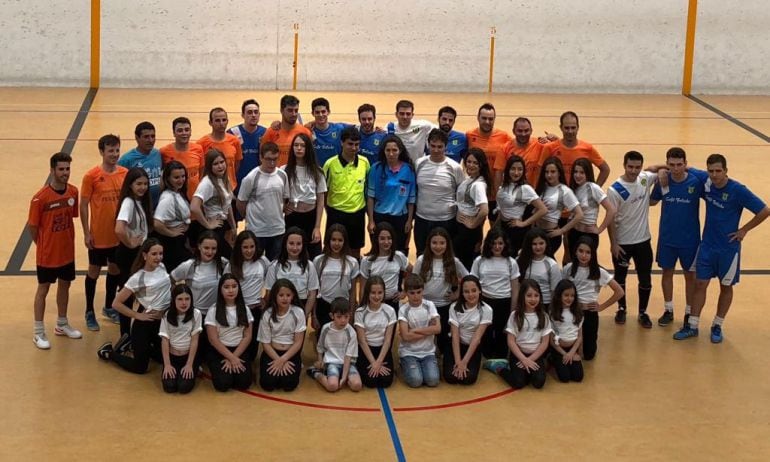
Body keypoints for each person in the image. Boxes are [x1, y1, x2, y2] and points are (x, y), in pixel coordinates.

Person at [674, 153, 769, 343]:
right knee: (700, 284)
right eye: (711, 171)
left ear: (726, 171)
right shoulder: (706, 182)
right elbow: (684, 168)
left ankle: (717, 324)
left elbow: (765, 210)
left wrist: (744, 230)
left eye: (718, 171)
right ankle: (692, 325)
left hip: (728, 249)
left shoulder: (738, 190)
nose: (715, 175)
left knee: (725, 287)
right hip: (707, 246)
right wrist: (656, 169)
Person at [29, 152, 81, 349]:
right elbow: (33, 227)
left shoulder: (73, 192)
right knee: (43, 289)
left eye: (68, 169)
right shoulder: (40, 198)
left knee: (65, 285)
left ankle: (61, 324)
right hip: (48, 255)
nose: (65, 173)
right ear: (52, 170)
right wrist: (43, 244)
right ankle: (38, 332)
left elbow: (72, 217)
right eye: (61, 169)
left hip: (67, 252)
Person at [649, 148, 706, 326]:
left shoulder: (696, 182)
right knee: (667, 273)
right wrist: (657, 175)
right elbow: (652, 201)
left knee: (691, 276)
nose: (675, 168)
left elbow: (712, 196)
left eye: (679, 165)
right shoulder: (663, 181)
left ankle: (689, 312)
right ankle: (668, 309)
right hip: (667, 237)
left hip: (690, 239)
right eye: (671, 165)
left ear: (685, 164)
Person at [98, 238, 170, 373]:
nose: (158, 257)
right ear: (144, 255)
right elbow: (116, 303)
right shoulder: (138, 278)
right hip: (146, 323)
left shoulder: (161, 267)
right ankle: (109, 352)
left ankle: (134, 345)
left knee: (165, 358)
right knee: (140, 367)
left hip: (161, 322)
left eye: (160, 254)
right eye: (154, 254)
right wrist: (137, 315)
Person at [80, 134, 127, 329]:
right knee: (94, 270)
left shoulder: (125, 173)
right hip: (99, 235)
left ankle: (109, 306)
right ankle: (89, 311)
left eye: (117, 150)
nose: (114, 154)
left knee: (115, 269)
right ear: (101, 152)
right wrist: (86, 232)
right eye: (110, 151)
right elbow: (83, 205)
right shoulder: (91, 176)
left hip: (117, 235)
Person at [607, 151, 656, 328]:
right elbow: (610, 219)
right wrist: (613, 243)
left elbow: (658, 170)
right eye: (630, 167)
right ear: (624, 165)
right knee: (620, 278)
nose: (634, 171)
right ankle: (621, 308)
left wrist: (660, 169)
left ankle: (643, 312)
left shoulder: (644, 179)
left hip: (643, 241)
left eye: (637, 167)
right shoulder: (615, 189)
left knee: (645, 279)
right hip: (622, 244)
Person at [170, 231, 228, 365]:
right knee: (197, 349)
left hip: (215, 315)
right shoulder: (189, 266)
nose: (210, 251)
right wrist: (177, 301)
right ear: (199, 247)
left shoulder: (223, 264)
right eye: (206, 248)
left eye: (214, 248)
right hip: (196, 315)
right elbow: (171, 280)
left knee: (213, 349)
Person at [562, 237, 623, 360]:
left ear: (593, 254)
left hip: (589, 313)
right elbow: (561, 289)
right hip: (571, 311)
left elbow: (619, 292)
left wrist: (601, 307)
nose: (583, 255)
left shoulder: (599, 272)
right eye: (581, 251)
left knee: (589, 354)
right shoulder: (568, 268)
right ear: (575, 251)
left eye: (588, 252)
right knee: (569, 344)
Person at [483, 279, 551, 390]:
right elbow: (511, 341)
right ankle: (500, 368)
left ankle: (526, 371)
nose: (533, 299)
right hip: (518, 354)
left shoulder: (544, 316)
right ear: (522, 297)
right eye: (529, 295)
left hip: (535, 355)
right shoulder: (515, 315)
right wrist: (523, 359)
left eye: (536, 295)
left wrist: (530, 359)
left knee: (539, 383)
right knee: (518, 383)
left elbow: (544, 342)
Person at [413, 227, 467, 355]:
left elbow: (468, 278)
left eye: (442, 243)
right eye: (434, 243)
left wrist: (458, 293)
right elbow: (413, 281)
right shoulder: (421, 260)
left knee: (443, 339)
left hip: (444, 306)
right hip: (424, 306)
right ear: (429, 244)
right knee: (424, 337)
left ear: (447, 244)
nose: (438, 246)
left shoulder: (454, 262)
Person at [114, 167, 153, 336]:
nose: (143, 187)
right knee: (127, 296)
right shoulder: (129, 203)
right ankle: (125, 335)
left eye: (145, 184)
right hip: (129, 254)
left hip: (137, 253)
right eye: (139, 184)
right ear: (130, 185)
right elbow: (119, 229)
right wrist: (131, 244)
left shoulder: (140, 201)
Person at [413, 129, 465, 255]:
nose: (436, 150)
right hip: (422, 220)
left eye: (440, 147)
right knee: (422, 254)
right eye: (433, 146)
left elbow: (461, 194)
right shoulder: (419, 163)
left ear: (446, 147)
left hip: (446, 220)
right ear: (428, 144)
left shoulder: (455, 167)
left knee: (445, 256)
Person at [471, 228, 521, 359]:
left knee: (501, 334)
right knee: (486, 333)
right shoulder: (479, 261)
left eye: (500, 243)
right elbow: (473, 284)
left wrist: (513, 311)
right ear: (488, 244)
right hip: (485, 301)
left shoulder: (511, 262)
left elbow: (515, 289)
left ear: (505, 244)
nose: (497, 246)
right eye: (493, 243)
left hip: (504, 302)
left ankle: (501, 355)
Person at [236, 142, 289, 260]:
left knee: (274, 267)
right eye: (268, 159)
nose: (272, 163)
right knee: (254, 264)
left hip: (277, 230)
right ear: (260, 157)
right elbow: (240, 203)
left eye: (275, 159)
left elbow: (284, 199)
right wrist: (249, 217)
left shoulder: (282, 175)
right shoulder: (251, 178)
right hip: (256, 232)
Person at [323, 126, 370, 258]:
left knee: (355, 250)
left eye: (357, 144)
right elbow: (324, 192)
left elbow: (367, 188)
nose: (354, 148)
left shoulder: (364, 163)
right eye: (350, 144)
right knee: (332, 250)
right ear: (342, 142)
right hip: (336, 214)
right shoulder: (330, 164)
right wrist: (329, 210)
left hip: (357, 214)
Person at [366, 135, 416, 253]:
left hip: (400, 217)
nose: (391, 153)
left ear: (400, 151)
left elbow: (411, 199)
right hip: (380, 216)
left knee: (399, 250)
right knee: (379, 250)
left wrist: (409, 220)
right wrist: (371, 220)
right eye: (388, 150)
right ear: (384, 151)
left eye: (394, 150)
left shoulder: (409, 170)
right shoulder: (376, 168)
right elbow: (370, 197)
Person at [225, 230, 270, 357]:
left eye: (252, 247)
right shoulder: (231, 265)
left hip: (255, 309)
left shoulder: (263, 261)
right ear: (239, 247)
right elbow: (225, 286)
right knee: (237, 341)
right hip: (237, 309)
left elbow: (270, 280)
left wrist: (265, 298)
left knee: (252, 347)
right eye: (245, 247)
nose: (249, 250)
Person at [205, 274, 253, 392]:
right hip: (220, 351)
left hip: (239, 349)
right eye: (226, 287)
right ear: (220, 290)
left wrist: (234, 357)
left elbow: (247, 336)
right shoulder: (213, 310)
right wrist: (230, 357)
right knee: (222, 384)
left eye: (234, 286)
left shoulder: (245, 309)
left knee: (244, 383)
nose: (231, 290)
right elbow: (213, 340)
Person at [257, 279, 306, 392]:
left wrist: (283, 359)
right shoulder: (267, 314)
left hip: (290, 353)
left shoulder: (298, 312)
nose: (285, 298)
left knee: (289, 385)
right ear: (275, 296)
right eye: (281, 295)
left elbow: (298, 342)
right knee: (268, 385)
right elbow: (266, 343)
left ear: (293, 296)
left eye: (288, 295)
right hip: (272, 352)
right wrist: (278, 360)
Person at [282, 133, 326, 258]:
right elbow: (278, 196)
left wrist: (317, 227)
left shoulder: (317, 171)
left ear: (308, 149)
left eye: (302, 145)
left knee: (313, 254)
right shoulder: (284, 170)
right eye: (296, 145)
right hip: (292, 217)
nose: (299, 148)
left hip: (310, 218)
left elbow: (321, 201)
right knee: (291, 254)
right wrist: (283, 207)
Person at [264, 227, 319, 326]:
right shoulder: (275, 266)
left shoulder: (309, 266)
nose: (294, 248)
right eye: (291, 243)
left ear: (303, 245)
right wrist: (275, 312)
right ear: (285, 244)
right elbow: (269, 292)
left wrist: (304, 315)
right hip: (279, 308)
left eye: (298, 244)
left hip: (301, 305)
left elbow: (312, 294)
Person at [466, 103, 512, 221]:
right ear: (478, 118)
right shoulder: (469, 135)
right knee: (475, 229)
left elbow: (520, 145)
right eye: (484, 118)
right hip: (475, 191)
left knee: (496, 229)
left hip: (495, 193)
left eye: (491, 119)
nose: (487, 121)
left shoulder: (504, 136)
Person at [539, 111, 610, 186]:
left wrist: (595, 190)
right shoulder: (549, 148)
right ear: (561, 127)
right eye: (567, 128)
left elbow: (605, 169)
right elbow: (540, 172)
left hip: (579, 195)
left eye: (573, 128)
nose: (570, 131)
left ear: (578, 127)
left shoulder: (587, 148)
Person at [495, 154, 547, 256]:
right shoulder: (503, 186)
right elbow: (502, 210)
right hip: (503, 228)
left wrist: (524, 223)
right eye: (513, 169)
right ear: (507, 170)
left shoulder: (525, 189)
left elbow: (543, 209)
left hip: (516, 232)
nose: (516, 173)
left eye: (520, 169)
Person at [444, 275, 492, 385]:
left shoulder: (486, 310)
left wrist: (464, 362)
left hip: (472, 347)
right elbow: (455, 335)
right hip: (456, 345)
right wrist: (458, 361)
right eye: (466, 291)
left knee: (468, 379)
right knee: (450, 378)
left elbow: (477, 338)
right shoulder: (454, 307)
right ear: (462, 293)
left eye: (474, 290)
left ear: (480, 290)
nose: (470, 294)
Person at [307, 298, 362, 392]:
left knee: (357, 385)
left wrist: (344, 378)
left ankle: (341, 376)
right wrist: (321, 363)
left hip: (348, 363)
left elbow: (348, 357)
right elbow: (320, 347)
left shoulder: (351, 332)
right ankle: (316, 373)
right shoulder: (326, 329)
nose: (343, 320)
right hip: (332, 363)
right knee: (332, 386)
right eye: (339, 317)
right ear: (332, 316)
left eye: (346, 317)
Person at [191, 149, 236, 258]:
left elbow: (228, 204)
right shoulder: (207, 183)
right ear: (209, 167)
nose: (220, 166)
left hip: (223, 225)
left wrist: (233, 226)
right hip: (214, 229)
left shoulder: (224, 179)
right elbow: (194, 207)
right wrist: (208, 224)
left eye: (222, 162)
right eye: (216, 164)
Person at [398, 274, 441, 388]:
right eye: (412, 293)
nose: (416, 296)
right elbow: (406, 336)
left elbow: (437, 329)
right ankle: (404, 363)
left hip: (428, 352)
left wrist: (415, 330)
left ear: (423, 291)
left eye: (419, 292)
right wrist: (428, 330)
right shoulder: (403, 310)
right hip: (409, 352)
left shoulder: (430, 305)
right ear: (406, 293)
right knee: (416, 381)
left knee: (433, 381)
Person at [535, 156, 583, 257]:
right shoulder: (542, 187)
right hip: (537, 232)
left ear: (559, 173)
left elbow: (579, 214)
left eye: (553, 172)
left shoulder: (564, 191)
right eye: (546, 172)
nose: (549, 175)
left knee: (546, 261)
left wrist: (561, 231)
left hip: (551, 234)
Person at [313, 225, 359, 330]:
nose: (336, 243)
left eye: (340, 240)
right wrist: (314, 315)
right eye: (333, 239)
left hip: (344, 308)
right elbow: (314, 290)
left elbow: (352, 292)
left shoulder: (352, 262)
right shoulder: (318, 261)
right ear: (328, 240)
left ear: (345, 242)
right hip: (324, 306)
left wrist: (351, 313)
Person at [354, 276, 397, 388]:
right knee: (370, 382)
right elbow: (362, 341)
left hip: (382, 350)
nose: (377, 296)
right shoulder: (360, 312)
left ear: (384, 293)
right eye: (373, 293)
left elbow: (387, 341)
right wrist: (373, 362)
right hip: (367, 350)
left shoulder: (390, 311)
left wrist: (379, 362)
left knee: (386, 381)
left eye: (380, 292)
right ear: (367, 293)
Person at [568, 157, 615, 257]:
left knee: (587, 266)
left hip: (588, 235)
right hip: (573, 233)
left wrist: (600, 229)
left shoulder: (593, 188)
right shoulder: (573, 189)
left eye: (582, 172)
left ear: (587, 173)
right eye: (575, 172)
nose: (578, 175)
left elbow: (611, 210)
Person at [159, 284, 202, 394]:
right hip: (172, 357)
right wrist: (167, 365)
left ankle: (195, 368)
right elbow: (165, 340)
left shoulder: (196, 314)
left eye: (187, 299)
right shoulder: (167, 315)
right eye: (180, 299)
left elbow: (195, 340)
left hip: (188, 356)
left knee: (184, 387)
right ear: (174, 300)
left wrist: (189, 364)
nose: (184, 303)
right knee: (170, 387)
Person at [359, 222, 411, 311]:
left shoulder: (398, 256)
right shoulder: (367, 261)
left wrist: (405, 292)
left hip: (393, 302)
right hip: (373, 303)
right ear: (376, 240)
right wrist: (362, 308)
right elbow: (363, 288)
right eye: (382, 239)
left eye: (389, 238)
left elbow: (412, 270)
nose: (386, 242)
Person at [454, 148, 491, 269]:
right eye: (469, 161)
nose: (471, 165)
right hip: (461, 229)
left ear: (481, 165)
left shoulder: (478, 185)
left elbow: (484, 210)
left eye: (475, 163)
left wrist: (472, 224)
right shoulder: (471, 180)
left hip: (467, 232)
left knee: (465, 264)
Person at [152, 160, 191, 272]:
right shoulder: (167, 198)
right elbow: (157, 223)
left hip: (179, 242)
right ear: (168, 178)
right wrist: (172, 233)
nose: (181, 180)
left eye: (183, 176)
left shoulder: (178, 192)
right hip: (172, 246)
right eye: (176, 177)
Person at [495, 117, 553, 187]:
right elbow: (499, 175)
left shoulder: (541, 145)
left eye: (526, 130)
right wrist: (498, 195)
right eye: (520, 131)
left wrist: (554, 140)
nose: (523, 134)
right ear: (513, 131)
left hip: (536, 193)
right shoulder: (504, 149)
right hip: (513, 194)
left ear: (531, 131)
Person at [228, 99, 267, 202]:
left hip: (258, 186)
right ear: (243, 115)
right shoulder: (232, 133)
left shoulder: (265, 133)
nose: (253, 115)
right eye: (249, 112)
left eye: (256, 112)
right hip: (237, 186)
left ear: (259, 114)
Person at [197, 107, 243, 190]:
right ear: (210, 123)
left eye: (224, 120)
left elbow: (236, 164)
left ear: (227, 121)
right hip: (211, 189)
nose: (221, 123)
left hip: (230, 188)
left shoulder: (235, 141)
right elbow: (201, 169)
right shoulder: (201, 144)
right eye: (217, 120)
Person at [160, 117, 204, 201]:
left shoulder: (198, 149)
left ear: (191, 132)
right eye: (180, 130)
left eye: (187, 130)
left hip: (195, 199)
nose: (184, 133)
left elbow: (201, 173)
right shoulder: (164, 152)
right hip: (174, 200)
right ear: (174, 133)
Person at [261, 94, 312, 166]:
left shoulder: (305, 132)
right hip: (277, 176)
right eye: (290, 110)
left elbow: (310, 157)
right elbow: (262, 156)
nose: (294, 114)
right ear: (281, 110)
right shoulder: (271, 132)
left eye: (296, 110)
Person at [549, 280, 584, 383]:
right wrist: (565, 354)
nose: (569, 298)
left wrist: (573, 352)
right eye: (566, 295)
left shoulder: (578, 313)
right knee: (565, 378)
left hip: (572, 349)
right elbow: (551, 340)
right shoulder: (553, 313)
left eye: (572, 296)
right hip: (559, 349)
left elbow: (580, 336)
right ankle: (553, 358)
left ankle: (565, 360)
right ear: (559, 295)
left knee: (578, 377)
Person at [119, 121, 163, 205]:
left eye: (153, 136)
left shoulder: (157, 154)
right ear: (137, 138)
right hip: (139, 208)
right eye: (146, 137)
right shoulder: (126, 160)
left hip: (157, 207)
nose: (150, 140)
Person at [516, 228, 562, 307]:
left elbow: (555, 291)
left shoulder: (552, 265)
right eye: (534, 244)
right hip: (524, 303)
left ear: (546, 244)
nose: (538, 247)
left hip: (544, 304)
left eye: (541, 243)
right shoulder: (519, 261)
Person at [308, 97, 349, 166]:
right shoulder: (308, 131)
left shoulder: (339, 128)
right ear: (312, 113)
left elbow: (359, 128)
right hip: (316, 172)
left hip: (335, 172)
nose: (320, 115)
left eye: (323, 111)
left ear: (328, 112)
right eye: (317, 112)